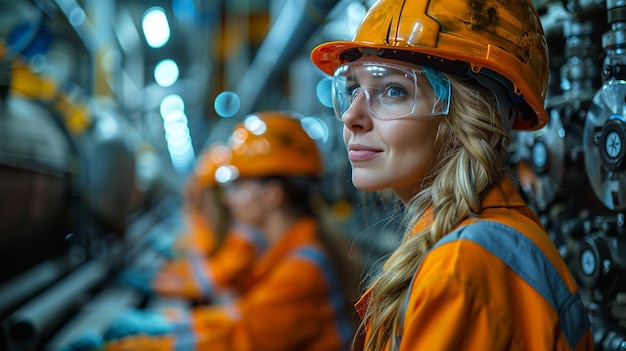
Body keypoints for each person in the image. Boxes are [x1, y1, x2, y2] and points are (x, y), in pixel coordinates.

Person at [310, 0, 594, 350]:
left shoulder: (463, 267)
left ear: (466, 117)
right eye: (354, 89)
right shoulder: (473, 245)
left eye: (393, 90)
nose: (351, 116)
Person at [104, 111, 362, 350]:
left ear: (273, 194)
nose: (227, 199)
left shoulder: (302, 270)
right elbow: (244, 316)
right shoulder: (290, 251)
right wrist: (165, 324)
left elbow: (236, 341)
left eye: (238, 187)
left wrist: (137, 345)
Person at [151, 143, 267, 303]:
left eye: (205, 197)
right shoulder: (228, 231)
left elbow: (206, 281)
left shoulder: (245, 237)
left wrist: (154, 283)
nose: (202, 206)